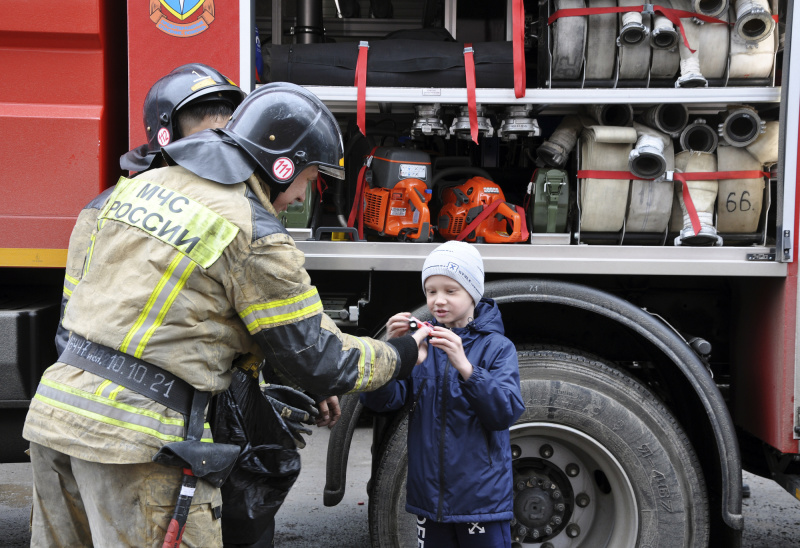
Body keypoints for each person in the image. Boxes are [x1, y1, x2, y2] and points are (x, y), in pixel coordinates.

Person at [24, 81, 429, 547]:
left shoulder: (133, 190)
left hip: (54, 424)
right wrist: (401, 351)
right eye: (310, 178)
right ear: (284, 166)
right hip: (140, 448)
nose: (302, 197)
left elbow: (111, 313)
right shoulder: (253, 230)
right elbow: (320, 357)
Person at [361, 240, 525, 548]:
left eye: (451, 291)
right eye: (431, 291)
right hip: (430, 498)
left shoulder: (497, 347)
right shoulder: (422, 344)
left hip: (481, 502)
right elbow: (383, 402)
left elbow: (504, 412)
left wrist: (466, 367)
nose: (439, 300)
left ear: (473, 293)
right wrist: (392, 354)